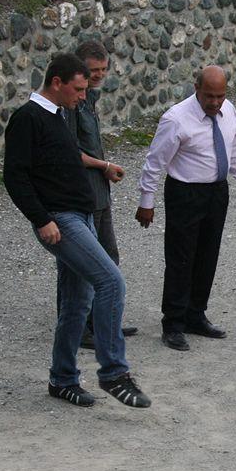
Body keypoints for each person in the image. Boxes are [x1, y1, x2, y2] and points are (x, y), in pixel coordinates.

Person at [3, 53, 151, 408]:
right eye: (79, 88)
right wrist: (41, 219)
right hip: (60, 219)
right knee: (111, 281)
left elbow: (71, 155)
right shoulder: (27, 118)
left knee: (76, 302)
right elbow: (15, 176)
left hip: (81, 215)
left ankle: (63, 378)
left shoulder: (59, 115)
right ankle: (114, 371)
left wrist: (103, 165)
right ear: (57, 82)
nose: (83, 95)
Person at [136, 65, 236, 352]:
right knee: (180, 258)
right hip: (185, 192)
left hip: (216, 191)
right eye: (209, 96)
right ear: (196, 89)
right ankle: (174, 322)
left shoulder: (230, 112)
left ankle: (196, 313)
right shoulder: (176, 119)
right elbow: (155, 162)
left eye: (220, 96)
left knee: (208, 254)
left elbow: (235, 148)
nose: (215, 103)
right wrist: (146, 202)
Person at [67, 40, 137, 348]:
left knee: (108, 257)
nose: (99, 75)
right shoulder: (70, 105)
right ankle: (79, 328)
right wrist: (104, 165)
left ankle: (103, 322)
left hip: (99, 193)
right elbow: (70, 151)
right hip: (82, 194)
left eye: (103, 69)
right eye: (93, 70)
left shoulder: (89, 101)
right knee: (81, 264)